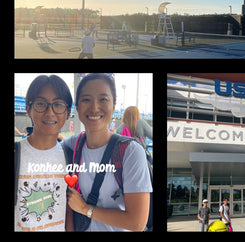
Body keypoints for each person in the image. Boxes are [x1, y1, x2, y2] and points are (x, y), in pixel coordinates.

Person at [65, 73, 152, 231]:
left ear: (113, 106)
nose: (94, 107)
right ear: (77, 107)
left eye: (103, 99)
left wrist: (85, 208)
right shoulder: (72, 144)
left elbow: (137, 223)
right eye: (86, 99)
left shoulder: (131, 152)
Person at [14, 75, 74, 231]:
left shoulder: (70, 156)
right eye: (41, 104)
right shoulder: (16, 153)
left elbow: (68, 209)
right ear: (28, 109)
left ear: (67, 112)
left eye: (58, 105)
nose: (50, 112)